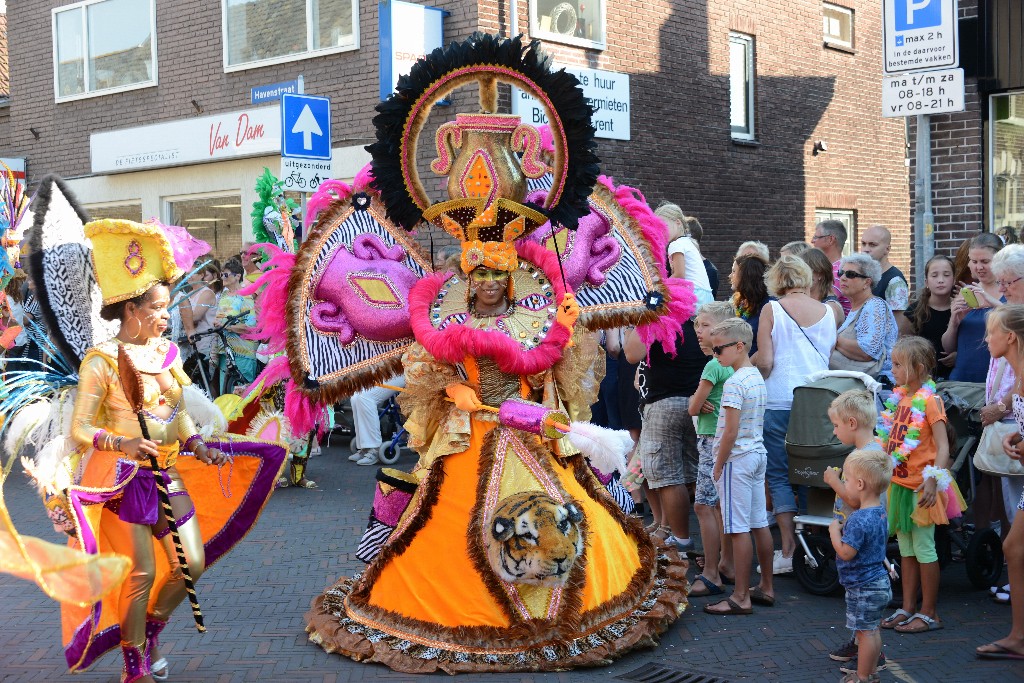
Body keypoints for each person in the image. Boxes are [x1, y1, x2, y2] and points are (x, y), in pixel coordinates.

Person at [61, 219, 284, 682]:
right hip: (122, 481)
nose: (166, 316)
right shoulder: (100, 363)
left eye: (165, 307)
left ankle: (150, 630)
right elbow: (80, 428)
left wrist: (198, 444)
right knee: (141, 575)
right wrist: (118, 440)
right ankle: (133, 661)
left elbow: (177, 409)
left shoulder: (166, 354)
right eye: (157, 308)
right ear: (130, 310)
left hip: (165, 474)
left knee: (191, 565)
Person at [754, 255, 837, 574]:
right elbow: (826, 357)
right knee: (815, 471)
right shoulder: (829, 312)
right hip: (817, 402)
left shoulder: (772, 309)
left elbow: (766, 363)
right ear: (804, 278)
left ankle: (789, 550)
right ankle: (819, 539)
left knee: (779, 474)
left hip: (778, 400)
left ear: (776, 281)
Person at [878, 337, 961, 634]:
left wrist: (933, 480)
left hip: (922, 487)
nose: (893, 369)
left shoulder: (930, 400)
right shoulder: (900, 398)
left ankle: (930, 613)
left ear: (919, 368)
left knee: (925, 548)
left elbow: (943, 447)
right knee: (906, 549)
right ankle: (908, 607)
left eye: (899, 364)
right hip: (899, 484)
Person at [703, 318, 775, 615]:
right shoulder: (755, 376)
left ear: (739, 346)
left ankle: (741, 596)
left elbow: (729, 432)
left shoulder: (733, 383)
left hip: (737, 460)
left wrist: (718, 464)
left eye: (718, 349)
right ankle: (767, 587)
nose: (715, 355)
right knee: (758, 523)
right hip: (757, 454)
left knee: (737, 528)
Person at [625, 318, 709, 551]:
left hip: (664, 406)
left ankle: (680, 538)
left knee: (668, 477)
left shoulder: (657, 320)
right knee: (691, 476)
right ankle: (698, 542)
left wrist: (637, 321)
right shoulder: (698, 323)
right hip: (696, 403)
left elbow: (631, 354)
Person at [824, 390, 888, 673]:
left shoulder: (865, 457)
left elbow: (855, 500)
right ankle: (860, 644)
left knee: (865, 614)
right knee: (862, 614)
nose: (834, 430)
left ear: (851, 423)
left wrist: (834, 482)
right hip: (862, 541)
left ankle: (869, 659)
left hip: (857, 543)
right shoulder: (870, 451)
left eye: (836, 425)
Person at [978, 304, 1024, 660]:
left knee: (1014, 547)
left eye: (991, 331)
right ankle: (1018, 635)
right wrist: (1018, 439)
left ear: (1010, 337)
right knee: (1013, 548)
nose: (986, 338)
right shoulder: (1019, 373)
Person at [827, 449, 893, 683]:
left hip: (863, 587)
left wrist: (834, 532)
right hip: (879, 581)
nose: (845, 484)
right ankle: (871, 671)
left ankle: (862, 676)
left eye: (846, 480)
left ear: (860, 484)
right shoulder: (880, 512)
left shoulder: (857, 518)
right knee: (872, 631)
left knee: (865, 634)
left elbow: (846, 553)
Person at [687, 301, 737, 595]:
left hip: (710, 440)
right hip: (721, 439)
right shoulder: (730, 365)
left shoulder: (713, 365)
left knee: (703, 506)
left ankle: (710, 574)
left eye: (705, 325)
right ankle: (725, 563)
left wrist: (696, 402)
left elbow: (694, 407)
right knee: (720, 507)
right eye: (697, 324)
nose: (698, 330)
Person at [944, 232, 1004, 383]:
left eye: (985, 261)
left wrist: (993, 303)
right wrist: (953, 322)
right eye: (974, 261)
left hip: (996, 380)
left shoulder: (1010, 291)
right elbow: (949, 348)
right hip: (962, 379)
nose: (979, 267)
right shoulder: (966, 293)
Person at [830, 253, 897, 382]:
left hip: (879, 387)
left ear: (867, 282)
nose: (843, 278)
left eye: (850, 274)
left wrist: (833, 339)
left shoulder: (874, 306)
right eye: (841, 273)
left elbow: (867, 351)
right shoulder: (855, 308)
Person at [899, 255, 955, 379]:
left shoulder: (961, 309)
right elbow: (904, 346)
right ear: (926, 282)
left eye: (946, 275)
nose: (940, 280)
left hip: (956, 377)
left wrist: (959, 355)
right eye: (934, 275)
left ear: (954, 279)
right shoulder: (914, 311)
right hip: (923, 377)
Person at [211, 257, 259, 395]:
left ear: (237, 276)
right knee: (224, 396)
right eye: (221, 274)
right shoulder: (224, 296)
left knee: (241, 397)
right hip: (224, 352)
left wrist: (227, 326)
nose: (222, 277)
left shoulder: (246, 296)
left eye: (225, 274)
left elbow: (250, 327)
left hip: (242, 354)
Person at [657, 203, 713, 306]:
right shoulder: (688, 242)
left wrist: (659, 287)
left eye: (665, 226)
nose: (662, 231)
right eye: (659, 228)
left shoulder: (675, 244)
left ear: (678, 223)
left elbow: (679, 275)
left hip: (694, 294)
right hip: (706, 295)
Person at [349, 375, 406, 466]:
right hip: (390, 369)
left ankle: (375, 449)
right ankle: (366, 446)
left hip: (406, 370)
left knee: (366, 397)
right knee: (355, 397)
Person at [860, 225, 909, 328]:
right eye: (863, 244)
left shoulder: (895, 281)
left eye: (872, 245)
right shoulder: (862, 275)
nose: (866, 249)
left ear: (887, 249)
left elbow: (898, 325)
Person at [730, 253, 770, 356]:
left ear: (747, 276)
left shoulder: (768, 305)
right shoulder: (742, 302)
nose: (730, 276)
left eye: (734, 272)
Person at [811, 219, 851, 315]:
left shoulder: (839, 272)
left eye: (816, 237)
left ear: (830, 240)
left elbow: (819, 306)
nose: (812, 241)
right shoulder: (835, 268)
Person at [801, 246, 846, 328]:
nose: (799, 276)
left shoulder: (831, 307)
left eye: (804, 271)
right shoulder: (803, 301)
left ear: (820, 274)